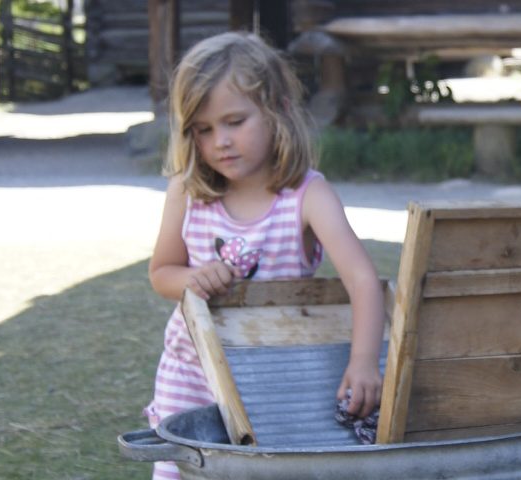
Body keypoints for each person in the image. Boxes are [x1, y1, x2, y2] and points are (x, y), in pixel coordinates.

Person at [143, 32, 385, 480]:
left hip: (273, 376)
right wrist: (193, 279)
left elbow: (363, 281)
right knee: (181, 470)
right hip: (190, 371)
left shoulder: (307, 196)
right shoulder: (187, 192)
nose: (221, 142)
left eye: (235, 121)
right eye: (203, 129)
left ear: (278, 110)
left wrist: (363, 361)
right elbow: (162, 273)